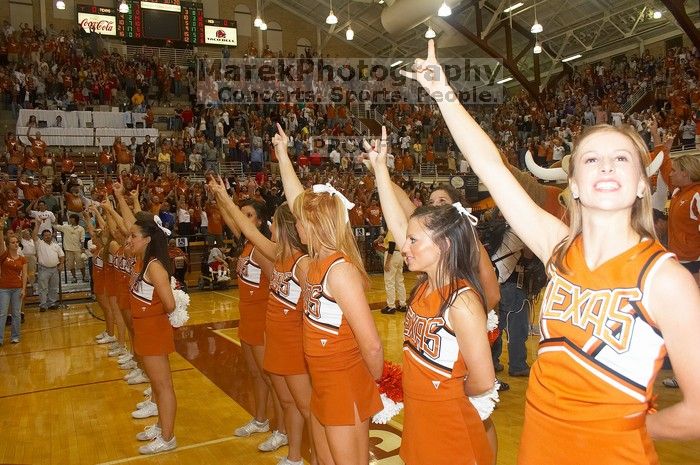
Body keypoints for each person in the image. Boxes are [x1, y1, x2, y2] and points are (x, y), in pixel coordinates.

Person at [404, 40, 700, 463]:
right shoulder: (557, 248)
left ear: (642, 183)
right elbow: (490, 167)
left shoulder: (666, 279)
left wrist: (625, 423)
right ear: (573, 185)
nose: (606, 165)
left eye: (621, 158)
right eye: (591, 159)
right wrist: (443, 94)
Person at [367, 130, 495, 465]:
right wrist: (381, 169)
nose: (404, 247)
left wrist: (445, 399)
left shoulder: (462, 301)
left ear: (444, 245)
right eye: (406, 240)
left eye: (413, 242)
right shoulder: (425, 285)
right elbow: (397, 221)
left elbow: (483, 380)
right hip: (420, 421)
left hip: (451, 429)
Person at [276, 123, 384, 465]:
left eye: (302, 221)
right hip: (320, 382)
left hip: (345, 383)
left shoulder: (340, 270)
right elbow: (297, 202)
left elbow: (371, 344)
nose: (296, 225)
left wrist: (376, 383)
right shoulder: (311, 263)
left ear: (317, 225)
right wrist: (282, 154)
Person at [209, 176, 316, 465]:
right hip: (273, 334)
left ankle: (302, 454)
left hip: (290, 340)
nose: (270, 229)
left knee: (302, 406)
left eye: (275, 225)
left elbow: (312, 308)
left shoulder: (300, 263)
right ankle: (294, 453)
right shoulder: (278, 254)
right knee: (286, 399)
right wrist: (223, 196)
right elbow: (243, 228)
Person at [127, 213, 178, 455]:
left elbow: (169, 304)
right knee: (157, 387)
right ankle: (161, 427)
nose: (130, 239)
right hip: (145, 330)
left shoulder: (155, 266)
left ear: (147, 239)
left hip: (154, 330)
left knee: (163, 385)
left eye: (134, 236)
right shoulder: (143, 262)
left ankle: (168, 438)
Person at [0, 220, 28, 345]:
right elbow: (1, 244)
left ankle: (15, 337)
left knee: (16, 314)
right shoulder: (4, 256)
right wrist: (1, 230)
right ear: (8, 244)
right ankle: (0, 339)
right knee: (3, 314)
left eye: (17, 242)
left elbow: (25, 275)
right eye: (13, 242)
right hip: (4, 288)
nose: (16, 244)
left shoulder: (22, 259)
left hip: (17, 288)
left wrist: (23, 289)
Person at [33, 221, 64, 312]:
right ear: (42, 236)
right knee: (43, 288)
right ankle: (43, 305)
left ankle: (52, 303)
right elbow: (34, 235)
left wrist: (61, 264)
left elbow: (62, 256)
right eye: (46, 235)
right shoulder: (39, 243)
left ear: (52, 235)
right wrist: (38, 224)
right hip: (43, 269)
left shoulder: (56, 245)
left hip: (55, 269)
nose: (48, 236)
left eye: (49, 235)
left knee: (53, 288)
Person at [53, 214, 86, 283]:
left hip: (78, 249)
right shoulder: (66, 227)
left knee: (81, 264)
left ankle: (84, 276)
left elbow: (82, 239)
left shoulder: (81, 228)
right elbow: (56, 226)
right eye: (70, 218)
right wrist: (54, 219)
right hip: (68, 249)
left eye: (72, 218)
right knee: (70, 265)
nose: (70, 220)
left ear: (75, 219)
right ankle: (74, 277)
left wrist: (82, 247)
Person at [380, 230, 407, 314]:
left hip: (392, 255)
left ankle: (391, 306)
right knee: (399, 281)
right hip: (400, 255)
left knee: (389, 281)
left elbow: (391, 245)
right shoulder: (399, 230)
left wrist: (387, 262)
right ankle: (403, 304)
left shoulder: (392, 230)